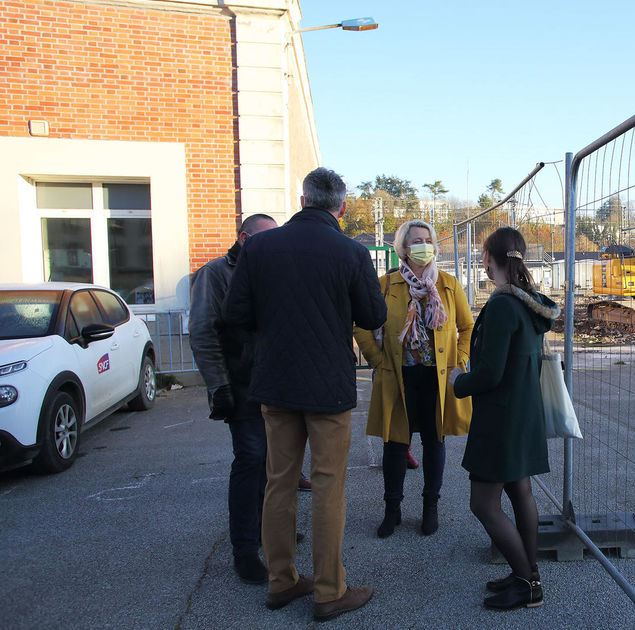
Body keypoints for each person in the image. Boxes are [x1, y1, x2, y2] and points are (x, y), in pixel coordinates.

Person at [224, 167, 386, 623]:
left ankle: (281, 581)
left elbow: (234, 313)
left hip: (275, 382)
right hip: (328, 388)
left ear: (301, 200)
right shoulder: (351, 252)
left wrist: (275, 330)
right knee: (329, 485)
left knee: (279, 482)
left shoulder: (259, 247)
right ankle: (330, 590)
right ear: (343, 206)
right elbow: (373, 312)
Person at [451, 226, 559, 610]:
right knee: (520, 492)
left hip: (500, 419)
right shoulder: (530, 303)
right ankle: (524, 574)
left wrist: (457, 382)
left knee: (483, 504)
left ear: (488, 260)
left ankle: (528, 583)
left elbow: (489, 374)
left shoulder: (502, 305)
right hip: (522, 414)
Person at [354, 219, 472, 538]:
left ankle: (430, 507)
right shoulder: (386, 284)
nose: (423, 246)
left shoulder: (447, 284)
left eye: (428, 240)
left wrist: (458, 360)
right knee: (394, 445)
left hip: (436, 378)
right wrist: (377, 359)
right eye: (416, 240)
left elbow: (466, 328)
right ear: (403, 248)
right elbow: (362, 325)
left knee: (435, 441)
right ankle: (392, 509)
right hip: (398, 377)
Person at [188, 213, 277, 584]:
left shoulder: (272, 271)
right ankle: (245, 550)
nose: (271, 247)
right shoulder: (215, 274)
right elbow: (203, 333)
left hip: (274, 384)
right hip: (239, 385)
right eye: (263, 239)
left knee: (273, 462)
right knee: (251, 457)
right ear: (243, 237)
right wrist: (218, 386)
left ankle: (265, 530)